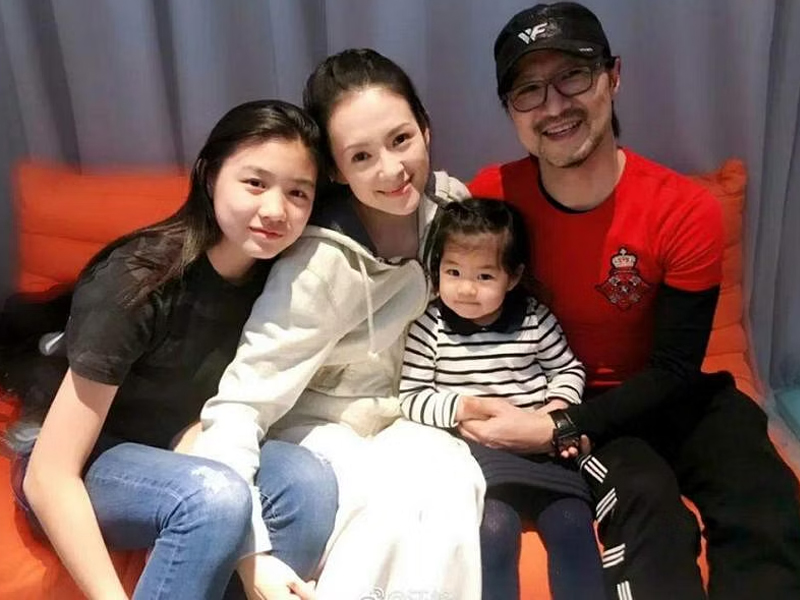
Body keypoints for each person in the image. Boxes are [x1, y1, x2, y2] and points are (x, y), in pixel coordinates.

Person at [467, 2, 800, 600]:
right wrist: (554, 418)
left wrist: (556, 427)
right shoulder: (493, 197)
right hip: (575, 397)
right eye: (528, 90)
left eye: (573, 75)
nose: (554, 106)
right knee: (648, 507)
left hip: (669, 390)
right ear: (510, 110)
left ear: (613, 76)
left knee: (764, 494)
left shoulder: (684, 210)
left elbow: (675, 367)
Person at [191, 49, 486, 600]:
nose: (392, 170)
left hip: (402, 415)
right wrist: (248, 550)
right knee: (387, 502)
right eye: (361, 156)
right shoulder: (317, 265)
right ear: (335, 170)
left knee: (455, 475)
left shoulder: (451, 212)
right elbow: (241, 404)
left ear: (425, 128)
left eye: (401, 140)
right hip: (315, 426)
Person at [18, 100, 338, 600]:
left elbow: (205, 422)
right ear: (210, 178)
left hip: (185, 449)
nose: (277, 211)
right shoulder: (137, 281)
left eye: (298, 192)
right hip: (87, 463)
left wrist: (252, 559)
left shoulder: (282, 282)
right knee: (213, 497)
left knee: (306, 480)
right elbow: (49, 474)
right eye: (255, 183)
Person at [399, 197, 606, 600]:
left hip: (540, 449)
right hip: (477, 458)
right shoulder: (430, 325)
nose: (466, 289)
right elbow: (412, 396)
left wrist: (554, 410)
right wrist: (463, 408)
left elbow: (568, 370)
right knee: (493, 528)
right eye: (453, 272)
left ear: (512, 277)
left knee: (572, 522)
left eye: (484, 276)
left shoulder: (533, 319)